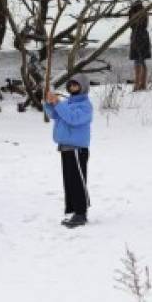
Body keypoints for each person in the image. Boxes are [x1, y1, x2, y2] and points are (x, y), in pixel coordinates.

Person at [44, 74, 93, 228]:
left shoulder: (85, 106)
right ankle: (73, 211)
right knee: (70, 181)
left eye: (76, 85)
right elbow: (54, 114)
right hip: (66, 148)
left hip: (77, 149)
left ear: (83, 87)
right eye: (70, 85)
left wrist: (58, 102)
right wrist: (48, 102)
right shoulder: (68, 103)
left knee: (78, 182)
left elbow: (72, 118)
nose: (72, 88)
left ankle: (81, 213)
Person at [129, 0, 151, 91]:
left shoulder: (141, 12)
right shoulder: (141, 11)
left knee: (139, 61)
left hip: (140, 38)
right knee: (140, 61)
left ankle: (139, 85)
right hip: (138, 37)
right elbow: (132, 25)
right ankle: (141, 84)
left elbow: (135, 24)